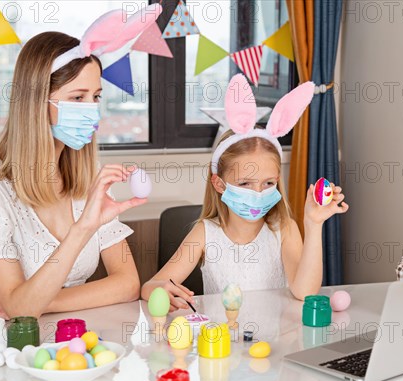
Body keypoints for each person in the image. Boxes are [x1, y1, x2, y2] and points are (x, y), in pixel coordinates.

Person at [0, 5, 163, 323]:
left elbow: (128, 283)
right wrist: (84, 229)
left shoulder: (88, 177)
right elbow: (20, 314)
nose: (92, 110)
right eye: (78, 98)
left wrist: (38, 301)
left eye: (96, 96)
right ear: (37, 101)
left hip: (75, 337)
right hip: (9, 344)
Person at [141, 74, 349, 310]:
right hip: (220, 343)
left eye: (268, 183)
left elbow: (305, 292)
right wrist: (159, 290)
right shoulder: (205, 233)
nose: (258, 193)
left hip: (275, 345)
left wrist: (313, 225)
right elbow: (150, 286)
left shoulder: (284, 229)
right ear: (219, 184)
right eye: (245, 184)